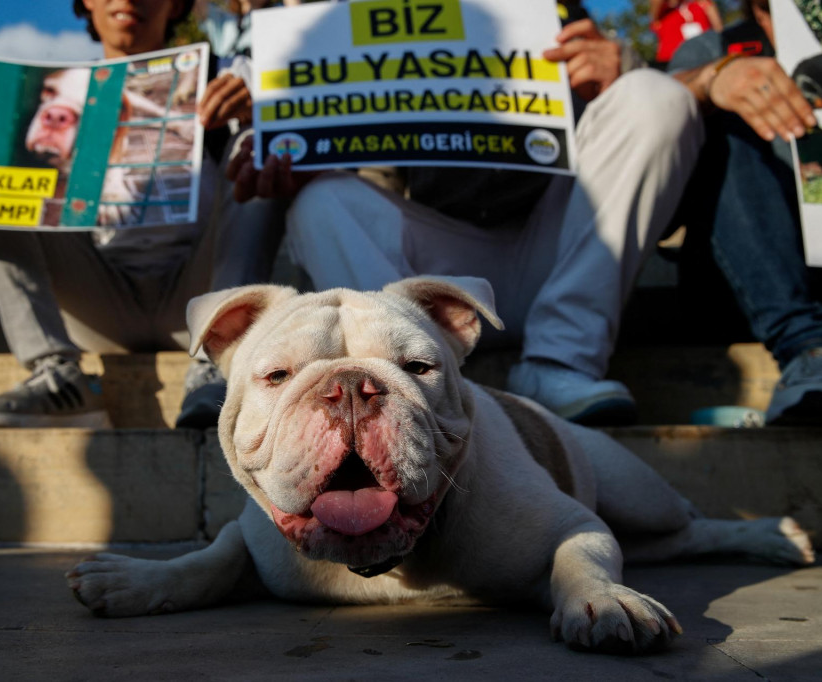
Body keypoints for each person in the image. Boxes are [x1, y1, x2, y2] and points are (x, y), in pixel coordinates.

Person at [227, 4, 704, 426]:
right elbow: (366, 176)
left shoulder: (554, 12)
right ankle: (402, 386)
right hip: (446, 274)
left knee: (652, 95)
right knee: (322, 201)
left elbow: (637, 120)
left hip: (559, 250)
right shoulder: (375, 26)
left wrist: (620, 67)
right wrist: (305, 160)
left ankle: (561, 362)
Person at [0, 0, 284, 429]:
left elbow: (304, 137)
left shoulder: (229, 74)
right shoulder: (68, 90)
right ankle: (56, 374)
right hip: (96, 302)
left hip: (202, 304)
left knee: (260, 146)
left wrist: (260, 109)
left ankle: (220, 365)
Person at [668, 0, 822, 425]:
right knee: (715, 113)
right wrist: (710, 82)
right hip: (751, 284)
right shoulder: (713, 48)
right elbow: (654, 132)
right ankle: (807, 355)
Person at [650, 0, 722, 69]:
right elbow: (656, 4)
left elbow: (719, 29)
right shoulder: (662, 13)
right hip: (672, 64)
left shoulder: (700, 5)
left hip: (708, 58)